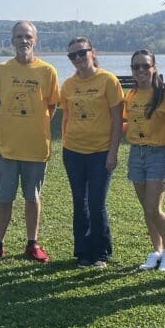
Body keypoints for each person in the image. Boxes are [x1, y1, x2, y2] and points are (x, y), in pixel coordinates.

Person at [0, 20, 60, 264]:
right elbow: (0, 103)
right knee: (4, 199)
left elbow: (51, 106)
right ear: (12, 40)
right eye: (19, 36)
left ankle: (32, 243)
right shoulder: (1, 70)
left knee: (32, 197)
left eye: (28, 36)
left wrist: (34, 124)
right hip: (7, 148)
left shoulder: (48, 71)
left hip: (36, 148)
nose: (23, 41)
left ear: (35, 40)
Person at [60, 37, 124, 267]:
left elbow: (118, 119)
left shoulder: (108, 80)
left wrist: (112, 152)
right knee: (80, 202)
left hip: (100, 152)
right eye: (72, 55)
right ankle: (83, 252)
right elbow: (66, 117)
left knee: (97, 203)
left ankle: (101, 252)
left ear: (92, 52)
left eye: (81, 53)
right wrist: (64, 144)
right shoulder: (67, 85)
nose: (78, 58)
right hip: (73, 152)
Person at [124, 49, 165, 272]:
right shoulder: (131, 95)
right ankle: (156, 251)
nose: (140, 70)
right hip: (136, 154)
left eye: (145, 66)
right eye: (136, 67)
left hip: (159, 154)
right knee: (146, 209)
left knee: (153, 207)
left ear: (154, 68)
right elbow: (128, 123)